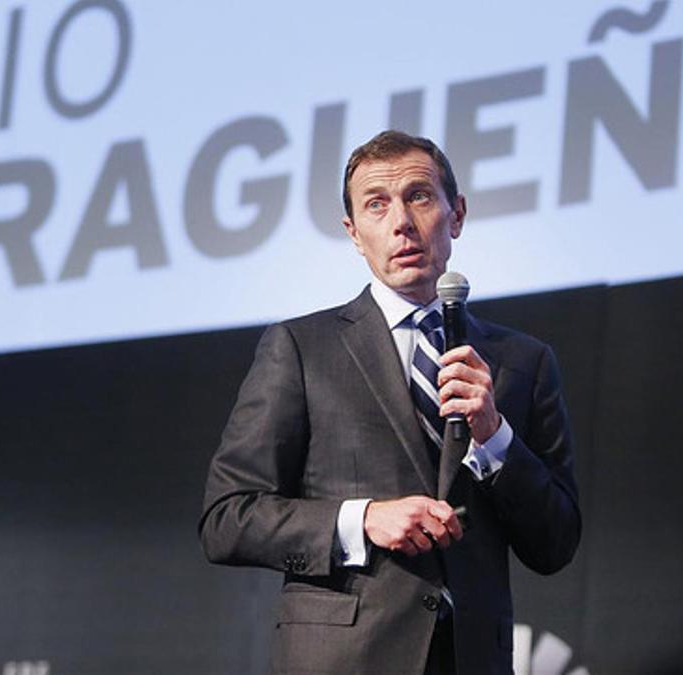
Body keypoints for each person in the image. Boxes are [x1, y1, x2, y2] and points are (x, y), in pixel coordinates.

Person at [198, 130, 581, 674]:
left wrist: (495, 436)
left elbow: (557, 542)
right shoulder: (301, 349)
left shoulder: (523, 362)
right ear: (354, 234)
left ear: (457, 214)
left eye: (419, 196)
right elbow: (227, 518)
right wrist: (363, 520)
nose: (400, 221)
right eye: (376, 205)